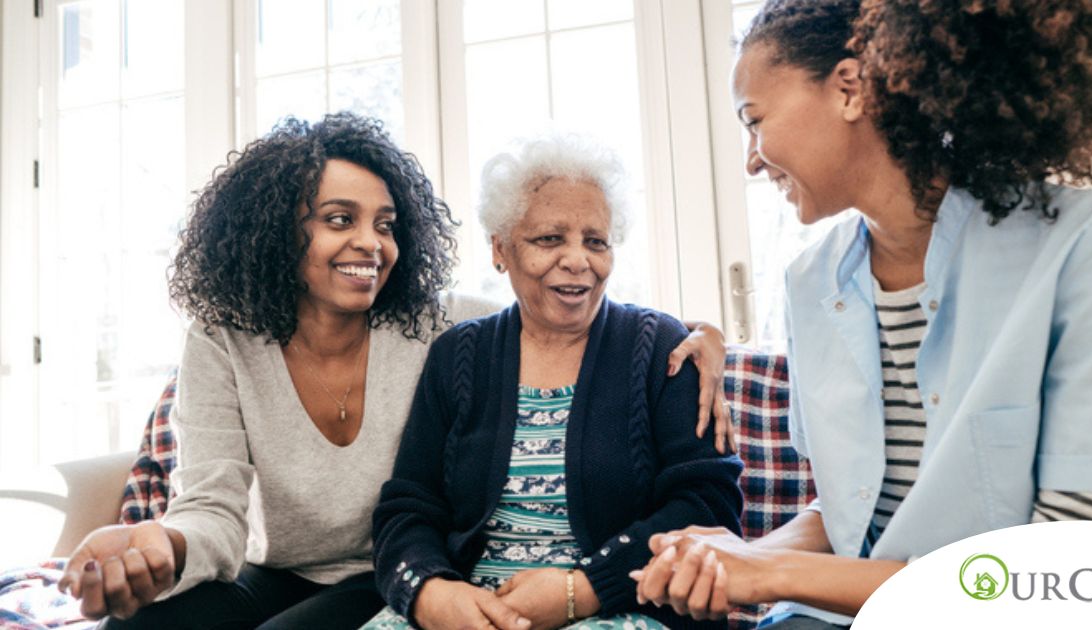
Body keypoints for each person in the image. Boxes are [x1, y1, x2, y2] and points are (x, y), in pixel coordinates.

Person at [632, 0, 1092, 627]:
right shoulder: (809, 281)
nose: (751, 158)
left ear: (849, 88)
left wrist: (768, 571)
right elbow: (850, 512)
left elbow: (1074, 572)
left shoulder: (1091, 245)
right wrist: (735, 555)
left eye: (754, 119)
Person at [55, 113, 730, 629]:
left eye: (385, 223)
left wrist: (705, 334)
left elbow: (557, 310)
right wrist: (161, 544)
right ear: (276, 232)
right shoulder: (226, 341)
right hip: (282, 566)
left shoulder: (438, 325)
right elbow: (214, 511)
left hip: (378, 575)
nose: (370, 244)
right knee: (142, 622)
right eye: (339, 220)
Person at [363, 133, 744, 630]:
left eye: (596, 241)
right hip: (474, 611)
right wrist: (432, 593)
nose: (577, 260)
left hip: (622, 606)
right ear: (500, 249)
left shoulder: (661, 349)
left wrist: (582, 590)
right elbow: (408, 507)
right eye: (549, 239)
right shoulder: (459, 354)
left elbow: (708, 508)